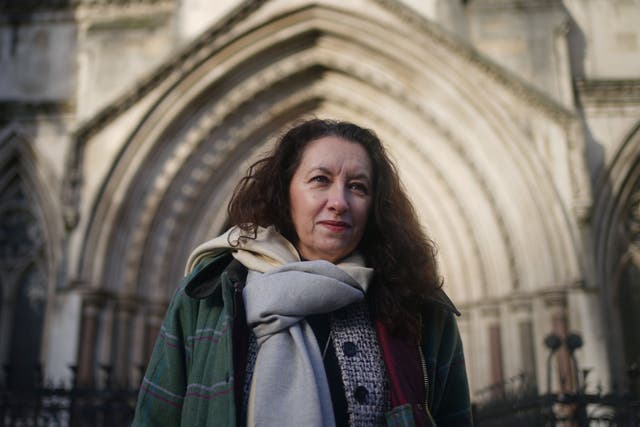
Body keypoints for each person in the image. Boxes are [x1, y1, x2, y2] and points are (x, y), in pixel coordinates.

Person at [132, 118, 472, 426]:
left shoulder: (419, 306)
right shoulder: (208, 295)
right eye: (320, 180)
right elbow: (155, 419)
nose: (339, 201)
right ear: (285, 192)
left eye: (358, 187)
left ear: (374, 205)